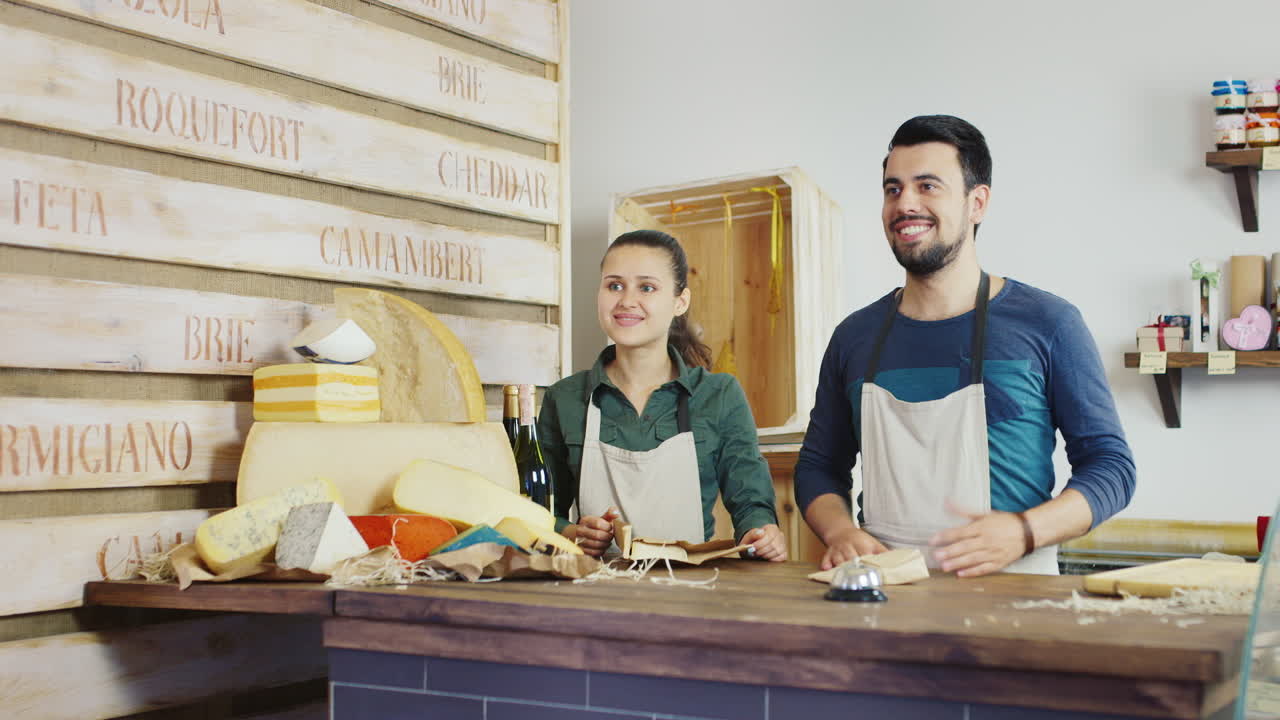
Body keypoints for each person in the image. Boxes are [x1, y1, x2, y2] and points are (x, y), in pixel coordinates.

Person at [795, 115, 1136, 576]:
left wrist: (1024, 531)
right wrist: (839, 532)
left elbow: (1111, 468)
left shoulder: (1049, 323)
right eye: (892, 189)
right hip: (889, 596)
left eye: (927, 186)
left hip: (1015, 600)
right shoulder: (854, 337)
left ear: (977, 203)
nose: (905, 204)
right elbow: (818, 465)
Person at [538, 230, 787, 561]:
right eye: (614, 285)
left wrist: (762, 533)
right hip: (592, 594)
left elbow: (751, 505)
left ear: (680, 301)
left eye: (646, 287)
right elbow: (535, 512)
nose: (626, 300)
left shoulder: (719, 395)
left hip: (691, 594)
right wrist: (571, 533)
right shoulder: (564, 399)